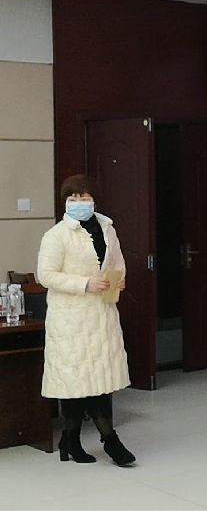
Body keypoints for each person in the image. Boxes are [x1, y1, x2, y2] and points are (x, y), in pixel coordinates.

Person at [36, 174, 136, 467]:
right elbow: (46, 275)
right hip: (71, 320)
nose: (79, 202)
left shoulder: (107, 229)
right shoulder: (56, 235)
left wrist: (118, 280)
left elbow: (116, 264)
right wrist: (84, 284)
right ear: (65, 202)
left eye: (84, 197)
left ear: (94, 199)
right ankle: (109, 441)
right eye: (73, 197)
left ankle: (70, 441)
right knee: (76, 380)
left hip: (101, 316)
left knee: (99, 379)